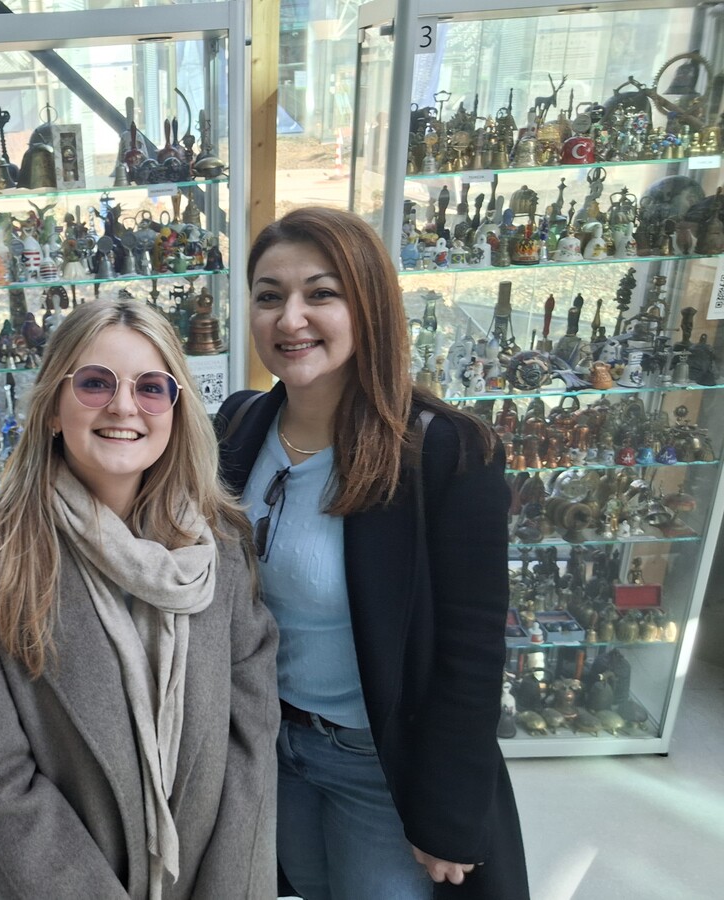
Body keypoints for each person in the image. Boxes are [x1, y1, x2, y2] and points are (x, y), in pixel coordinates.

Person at [216, 207, 528, 899]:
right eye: (269, 296)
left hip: (380, 768)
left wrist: (449, 811)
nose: (290, 318)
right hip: (272, 749)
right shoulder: (240, 426)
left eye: (320, 294)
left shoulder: (445, 452)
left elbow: (473, 649)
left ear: (369, 306)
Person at [0, 298, 279, 899]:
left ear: (175, 412)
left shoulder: (221, 548)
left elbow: (249, 740)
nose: (124, 406)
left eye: (151, 388)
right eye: (96, 383)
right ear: (53, 408)